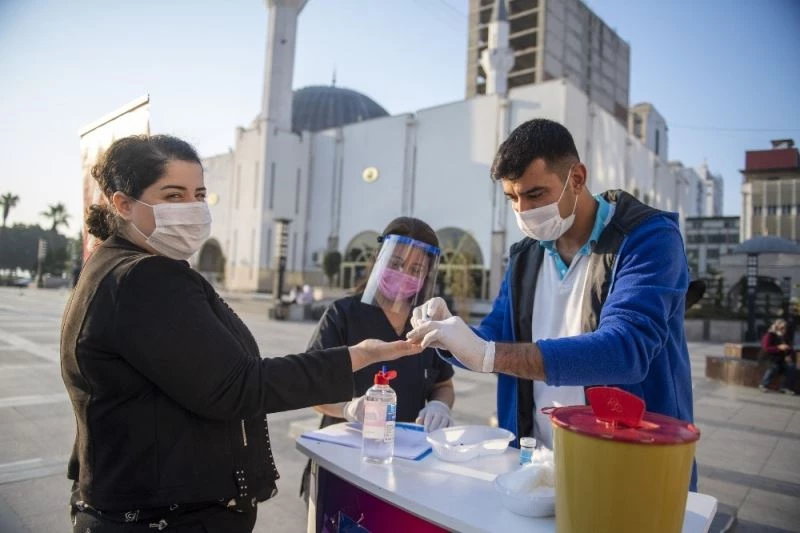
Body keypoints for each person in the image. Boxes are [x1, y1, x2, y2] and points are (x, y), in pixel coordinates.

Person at [61, 134, 421, 532]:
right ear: (124, 204)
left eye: (199, 194)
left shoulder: (112, 266)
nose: (193, 208)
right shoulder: (144, 277)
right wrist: (359, 355)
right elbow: (239, 386)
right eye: (173, 196)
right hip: (164, 516)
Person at [408, 118, 697, 490]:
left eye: (535, 195)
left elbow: (627, 349)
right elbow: (495, 334)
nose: (523, 211)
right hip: (536, 464)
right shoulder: (525, 257)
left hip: (631, 465)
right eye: (512, 198)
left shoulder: (648, 240)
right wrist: (450, 333)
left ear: (577, 178)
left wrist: (489, 354)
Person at [300, 217, 456, 502]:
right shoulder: (343, 314)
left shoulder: (426, 323)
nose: (403, 273)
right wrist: (349, 409)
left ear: (426, 276)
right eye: (395, 263)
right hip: (342, 461)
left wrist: (439, 406)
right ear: (379, 260)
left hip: (405, 467)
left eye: (416, 269)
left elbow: (443, 384)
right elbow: (312, 389)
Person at [758, 319, 797, 395]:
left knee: (791, 367)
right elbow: (766, 348)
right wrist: (778, 348)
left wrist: (788, 355)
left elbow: (790, 349)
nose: (784, 330)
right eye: (782, 328)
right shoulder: (769, 335)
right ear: (777, 327)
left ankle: (785, 387)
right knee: (774, 367)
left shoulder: (785, 337)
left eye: (785, 328)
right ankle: (763, 384)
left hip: (779, 360)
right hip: (767, 359)